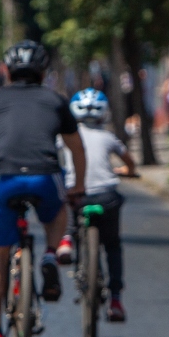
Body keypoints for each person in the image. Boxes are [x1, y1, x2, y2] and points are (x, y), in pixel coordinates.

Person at [0, 40, 87, 337]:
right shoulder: (56, 100)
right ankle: (53, 252)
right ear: (43, 72)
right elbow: (76, 149)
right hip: (45, 176)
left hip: (3, 179)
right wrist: (78, 186)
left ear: (6, 71)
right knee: (57, 211)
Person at [57, 88, 138, 322]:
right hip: (106, 198)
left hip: (77, 195)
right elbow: (129, 160)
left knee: (66, 202)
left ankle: (66, 239)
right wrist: (129, 172)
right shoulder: (109, 137)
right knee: (112, 245)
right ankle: (115, 300)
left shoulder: (65, 137)